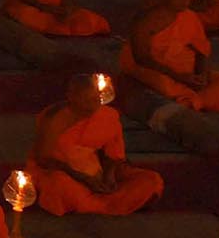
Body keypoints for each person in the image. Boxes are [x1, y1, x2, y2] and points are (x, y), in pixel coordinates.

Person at [31, 72, 163, 215]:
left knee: (151, 180)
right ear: (71, 97)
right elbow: (43, 159)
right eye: (86, 101)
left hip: (97, 172)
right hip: (64, 173)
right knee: (58, 186)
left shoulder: (107, 116)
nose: (92, 106)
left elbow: (113, 154)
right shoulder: (54, 119)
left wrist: (109, 175)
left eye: (96, 99)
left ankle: (99, 202)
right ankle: (112, 204)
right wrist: (83, 178)